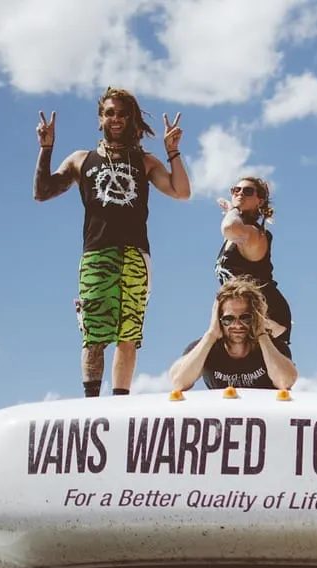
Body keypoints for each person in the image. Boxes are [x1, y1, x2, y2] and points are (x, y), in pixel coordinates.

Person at [33, 86, 192, 398]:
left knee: (128, 334)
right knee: (94, 334)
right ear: (100, 119)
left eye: (122, 114)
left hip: (136, 255)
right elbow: (42, 192)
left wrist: (172, 151)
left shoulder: (144, 161)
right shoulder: (81, 159)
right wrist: (46, 148)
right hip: (96, 253)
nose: (115, 119)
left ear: (130, 119)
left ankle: (120, 401)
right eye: (109, 113)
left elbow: (181, 192)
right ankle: (92, 402)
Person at [169, 275, 298, 391]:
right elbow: (179, 382)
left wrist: (261, 334)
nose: (237, 325)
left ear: (255, 318)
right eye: (228, 319)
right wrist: (211, 334)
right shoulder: (205, 348)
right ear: (218, 319)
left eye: (245, 317)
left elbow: (285, 382)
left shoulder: (274, 348)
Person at [214, 177, 293, 345]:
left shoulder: (253, 234)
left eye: (248, 191)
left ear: (260, 201)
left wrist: (233, 210)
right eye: (236, 190)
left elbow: (229, 227)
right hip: (245, 317)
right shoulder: (236, 237)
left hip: (270, 317)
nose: (240, 194)